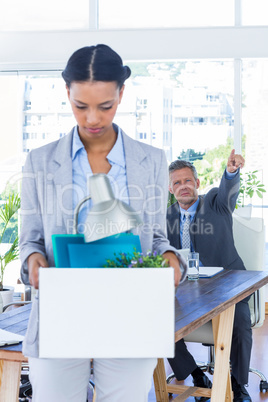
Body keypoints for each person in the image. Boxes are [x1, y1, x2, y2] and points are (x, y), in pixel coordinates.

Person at [19, 44, 186, 402]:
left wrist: (171, 258)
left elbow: (156, 238)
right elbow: (30, 242)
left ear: (121, 94)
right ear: (68, 94)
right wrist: (33, 263)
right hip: (59, 315)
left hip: (130, 313)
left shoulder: (151, 160)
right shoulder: (40, 161)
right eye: (81, 106)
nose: (92, 118)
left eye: (105, 106)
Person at [166, 150, 252, 402]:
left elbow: (228, 190)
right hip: (187, 292)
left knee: (240, 320)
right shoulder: (167, 217)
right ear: (171, 189)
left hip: (228, 287)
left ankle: (237, 384)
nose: (183, 187)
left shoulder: (215, 202)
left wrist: (231, 172)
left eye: (187, 180)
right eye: (177, 183)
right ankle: (195, 375)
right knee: (157, 318)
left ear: (197, 183)